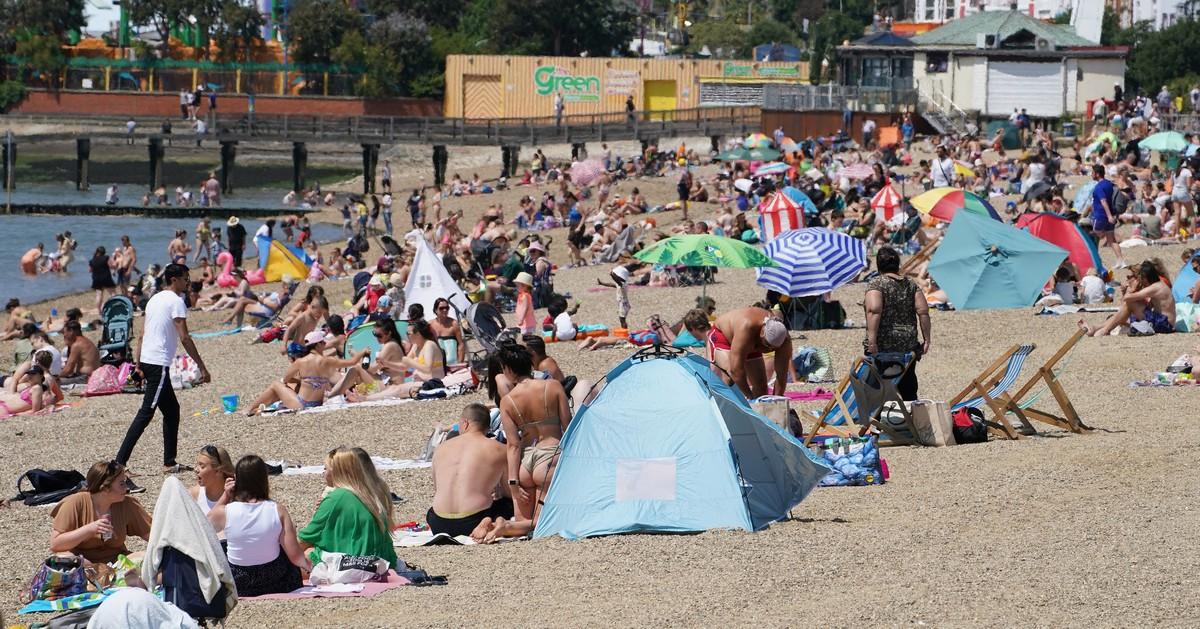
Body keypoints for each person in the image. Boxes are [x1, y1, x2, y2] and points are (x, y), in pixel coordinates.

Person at [116, 263, 210, 480]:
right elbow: (185, 337)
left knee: (171, 411)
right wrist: (202, 367)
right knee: (145, 413)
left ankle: (169, 462)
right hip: (157, 364)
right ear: (174, 279)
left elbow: (142, 334)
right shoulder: (176, 301)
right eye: (185, 278)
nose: (188, 282)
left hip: (150, 361)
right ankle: (119, 464)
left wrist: (139, 364)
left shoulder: (155, 298)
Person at [207, 455, 309, 596]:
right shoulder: (277, 509)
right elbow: (295, 555)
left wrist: (225, 497)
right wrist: (311, 567)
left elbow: (203, 528)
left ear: (237, 480)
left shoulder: (225, 511)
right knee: (283, 544)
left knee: (222, 545)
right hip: (275, 580)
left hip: (238, 582)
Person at [496, 344, 569, 524]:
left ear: (508, 369)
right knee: (541, 523)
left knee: (524, 524)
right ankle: (503, 527)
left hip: (525, 463)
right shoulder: (553, 386)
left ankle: (503, 526)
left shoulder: (507, 401)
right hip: (550, 455)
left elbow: (513, 445)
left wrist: (513, 483)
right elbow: (569, 427)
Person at [298, 447, 397, 568]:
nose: (324, 473)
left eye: (326, 468)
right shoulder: (371, 490)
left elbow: (307, 538)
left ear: (337, 471)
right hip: (385, 561)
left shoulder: (337, 498)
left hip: (359, 565)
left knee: (305, 554)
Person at [427, 403, 513, 537]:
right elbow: (509, 492)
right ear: (487, 427)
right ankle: (488, 521)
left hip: (438, 523)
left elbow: (438, 488)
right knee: (507, 504)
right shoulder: (499, 449)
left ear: (465, 423)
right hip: (474, 522)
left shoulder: (441, 448)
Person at [49, 461, 152, 564]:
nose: (127, 488)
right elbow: (56, 544)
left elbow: (151, 536)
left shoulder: (127, 504)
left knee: (150, 559)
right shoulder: (75, 502)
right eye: (122, 484)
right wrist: (89, 529)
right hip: (83, 565)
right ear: (105, 488)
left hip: (118, 563)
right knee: (64, 559)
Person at [864, 247, 930, 401]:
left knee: (877, 384)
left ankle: (879, 417)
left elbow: (874, 310)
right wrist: (927, 339)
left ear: (879, 265)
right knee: (908, 383)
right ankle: (911, 414)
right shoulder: (911, 284)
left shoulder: (877, 284)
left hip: (883, 342)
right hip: (907, 343)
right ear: (897, 264)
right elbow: (923, 311)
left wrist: (871, 341)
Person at [246, 331, 368, 414]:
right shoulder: (328, 361)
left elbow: (286, 379)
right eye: (324, 342)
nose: (325, 344)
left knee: (276, 385)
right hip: (317, 404)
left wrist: (302, 380)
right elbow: (353, 361)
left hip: (302, 404)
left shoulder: (300, 362)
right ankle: (256, 409)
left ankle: (250, 409)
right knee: (281, 388)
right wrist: (363, 351)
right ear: (318, 344)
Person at [707, 307, 791, 398]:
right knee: (730, 378)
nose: (767, 349)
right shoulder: (746, 327)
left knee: (761, 385)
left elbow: (781, 374)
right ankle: (723, 408)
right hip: (722, 336)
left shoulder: (784, 341)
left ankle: (757, 410)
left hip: (751, 342)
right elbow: (736, 371)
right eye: (766, 345)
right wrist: (749, 397)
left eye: (772, 349)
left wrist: (776, 401)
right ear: (762, 333)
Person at [1082, 261, 1176, 336]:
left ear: (1145, 278)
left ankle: (1103, 330)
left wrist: (1133, 289)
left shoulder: (1155, 288)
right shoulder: (1158, 285)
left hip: (1164, 324)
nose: (1139, 281)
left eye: (1140, 278)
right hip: (1163, 321)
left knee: (1130, 304)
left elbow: (1127, 299)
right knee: (1127, 309)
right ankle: (1098, 328)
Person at [1091, 164, 1129, 269]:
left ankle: (1096, 261)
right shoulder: (1109, 184)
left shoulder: (1099, 187)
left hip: (1101, 216)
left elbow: (1103, 201)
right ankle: (1121, 260)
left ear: (1097, 174)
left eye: (1092, 173)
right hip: (1110, 215)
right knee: (1112, 240)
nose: (1091, 174)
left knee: (1093, 237)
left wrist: (1108, 216)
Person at [189, 445, 235, 521]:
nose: (196, 469)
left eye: (202, 466)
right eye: (197, 465)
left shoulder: (237, 496)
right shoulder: (193, 496)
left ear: (218, 471)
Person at [429, 297, 466, 364]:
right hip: (436, 364)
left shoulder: (454, 324)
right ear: (435, 310)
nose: (445, 310)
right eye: (441, 308)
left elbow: (461, 344)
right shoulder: (430, 325)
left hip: (453, 364)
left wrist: (460, 362)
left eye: (447, 308)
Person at [89, 246, 118, 314]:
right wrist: (116, 263)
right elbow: (112, 266)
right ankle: (115, 307)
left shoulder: (92, 260)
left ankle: (99, 310)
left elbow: (90, 270)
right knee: (112, 293)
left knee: (99, 294)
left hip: (96, 278)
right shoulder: (106, 258)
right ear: (104, 252)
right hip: (106, 277)